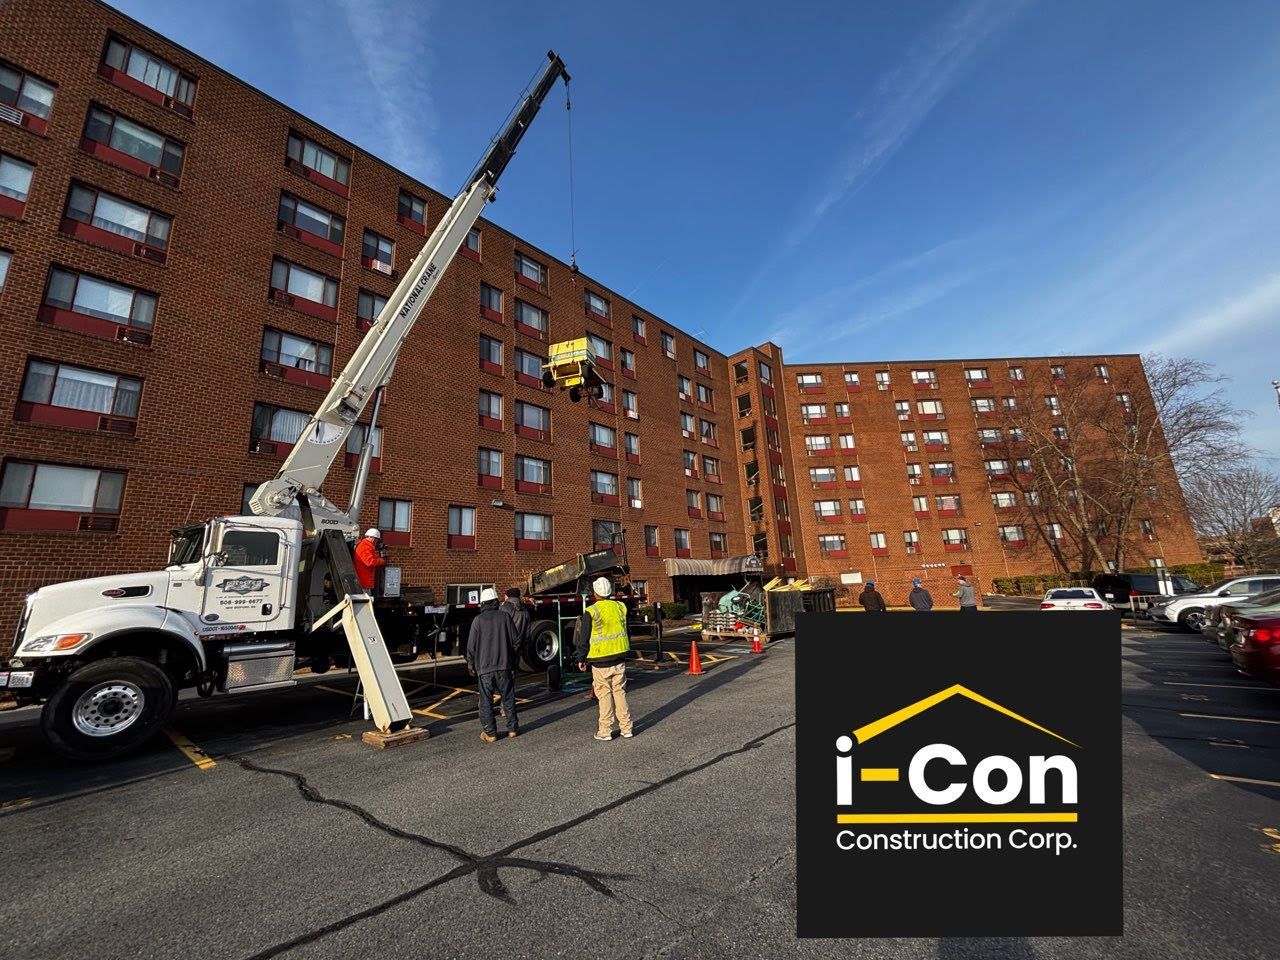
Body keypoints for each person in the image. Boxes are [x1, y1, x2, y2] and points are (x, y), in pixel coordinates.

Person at [574, 576, 634, 741]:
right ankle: (627, 728)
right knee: (620, 692)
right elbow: (626, 630)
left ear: (595, 593)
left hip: (600, 660)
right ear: (610, 592)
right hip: (619, 657)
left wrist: (581, 658)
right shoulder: (621, 607)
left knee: (604, 695)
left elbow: (583, 638)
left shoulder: (592, 611)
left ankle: (605, 731)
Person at [466, 587, 520, 743]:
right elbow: (516, 641)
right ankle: (512, 729)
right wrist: (510, 656)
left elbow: (471, 646)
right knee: (508, 697)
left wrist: (470, 663)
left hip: (485, 668)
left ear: (482, 603)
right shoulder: (505, 617)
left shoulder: (478, 620)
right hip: (504, 666)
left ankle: (490, 733)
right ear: (496, 601)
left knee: (486, 701)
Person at [352, 528, 385, 592]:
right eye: (376, 540)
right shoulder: (365, 547)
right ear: (373, 538)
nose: (376, 542)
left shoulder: (365, 546)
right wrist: (381, 561)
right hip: (364, 581)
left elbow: (371, 558)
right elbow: (370, 562)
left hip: (364, 580)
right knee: (366, 600)